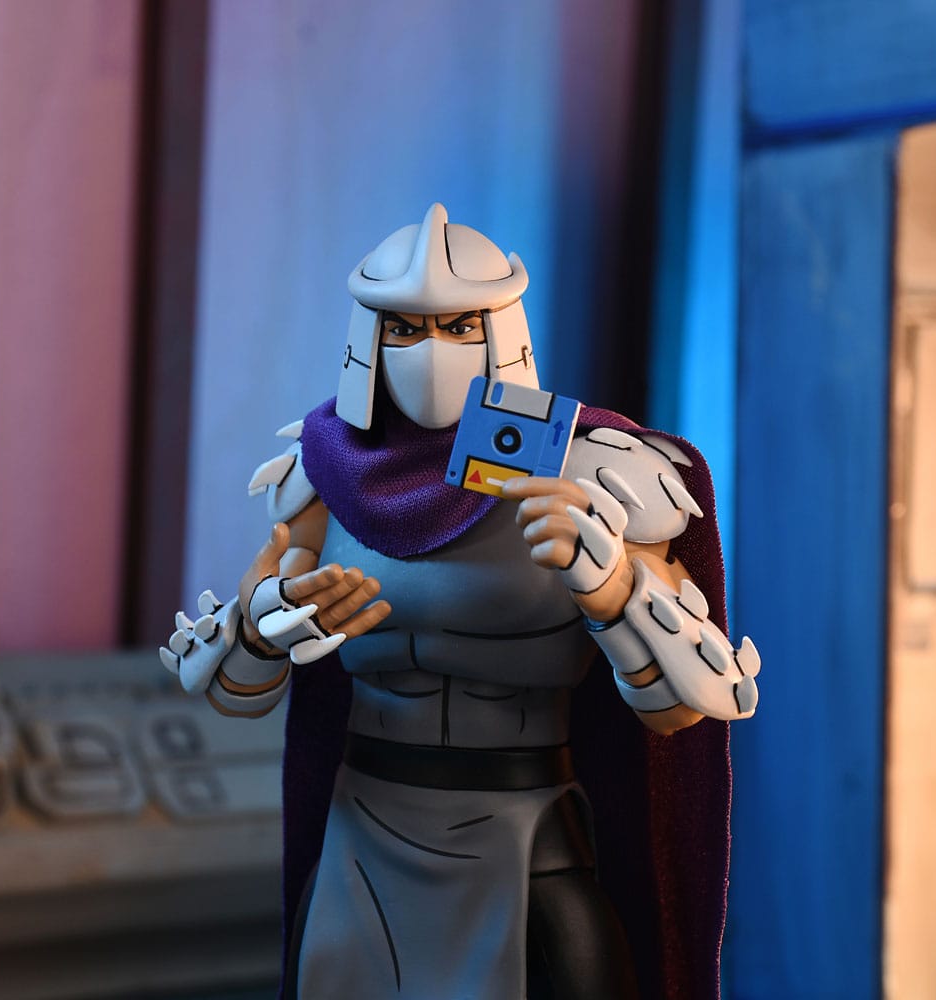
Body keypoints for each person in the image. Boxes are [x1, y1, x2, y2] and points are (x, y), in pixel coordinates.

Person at [162, 204, 759, 999]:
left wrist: (611, 586)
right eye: (406, 328)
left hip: (526, 834)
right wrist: (268, 624)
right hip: (361, 835)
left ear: (502, 328)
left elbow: (685, 711)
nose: (432, 350)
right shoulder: (326, 472)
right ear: (369, 336)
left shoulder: (592, 469)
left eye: (458, 324)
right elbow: (233, 684)